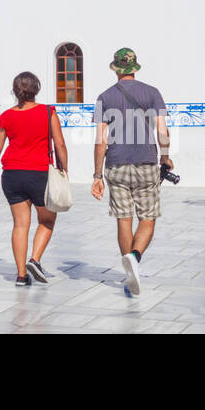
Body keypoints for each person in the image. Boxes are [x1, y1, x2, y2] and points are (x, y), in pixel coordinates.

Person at [90, 47, 171, 297]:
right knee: (147, 218)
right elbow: (162, 130)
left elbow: (100, 140)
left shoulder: (104, 97)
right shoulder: (153, 93)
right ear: (134, 68)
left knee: (123, 219)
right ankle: (135, 258)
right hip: (147, 163)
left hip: (116, 164)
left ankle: (129, 268)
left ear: (115, 69)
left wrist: (97, 175)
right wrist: (165, 157)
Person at [0, 71, 67, 287]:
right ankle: (35, 259)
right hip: (39, 173)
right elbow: (59, 144)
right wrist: (64, 169)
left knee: (20, 225)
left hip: (12, 174)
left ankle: (21, 275)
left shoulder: (6, 117)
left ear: (15, 90)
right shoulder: (48, 112)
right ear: (37, 89)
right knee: (47, 220)